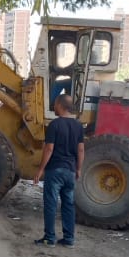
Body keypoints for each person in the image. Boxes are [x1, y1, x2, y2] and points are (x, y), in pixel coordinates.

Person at [33, 93, 85, 247]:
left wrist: (40, 169)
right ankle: (69, 239)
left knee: (51, 203)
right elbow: (81, 150)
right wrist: (79, 169)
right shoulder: (78, 126)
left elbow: (49, 149)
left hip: (55, 170)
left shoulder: (54, 125)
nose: (54, 106)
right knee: (68, 204)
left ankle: (50, 238)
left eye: (55, 104)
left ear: (60, 105)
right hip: (70, 171)